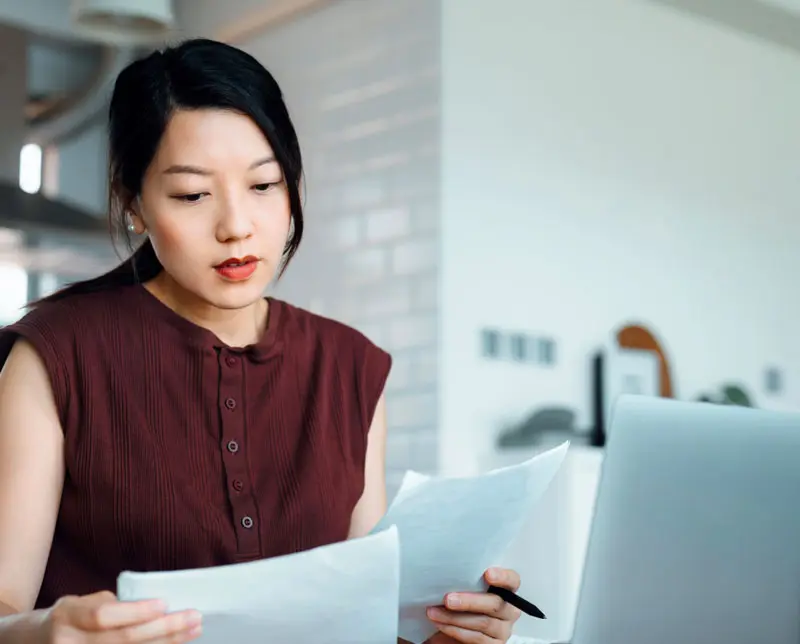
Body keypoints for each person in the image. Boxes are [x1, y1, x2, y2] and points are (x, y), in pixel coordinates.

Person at [0, 39, 522, 644]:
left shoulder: (349, 369)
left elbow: (365, 617)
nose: (236, 226)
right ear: (133, 203)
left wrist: (443, 633)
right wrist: (44, 632)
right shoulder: (56, 357)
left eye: (264, 185)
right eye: (193, 195)